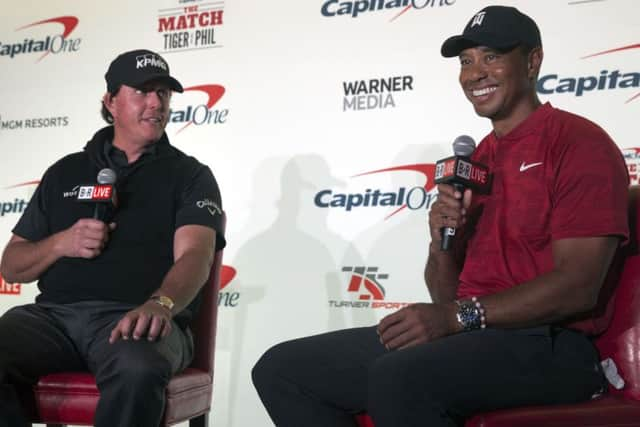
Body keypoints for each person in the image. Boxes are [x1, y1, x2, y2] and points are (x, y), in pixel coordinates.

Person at [251, 5, 629, 427]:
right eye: (466, 62)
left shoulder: (578, 143)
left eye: (491, 56)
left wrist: (455, 318)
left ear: (533, 60)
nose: (475, 73)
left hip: (554, 345)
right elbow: (447, 297)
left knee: (400, 376)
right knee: (283, 370)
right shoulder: (475, 162)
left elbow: (578, 288)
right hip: (476, 337)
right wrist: (442, 242)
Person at [0, 49, 225, 427]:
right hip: (54, 319)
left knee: (137, 367)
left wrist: (162, 303)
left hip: (137, 319)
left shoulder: (190, 175)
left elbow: (195, 257)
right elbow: (12, 266)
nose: (156, 103)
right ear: (110, 102)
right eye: (142, 91)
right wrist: (61, 243)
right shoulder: (64, 171)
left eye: (163, 94)